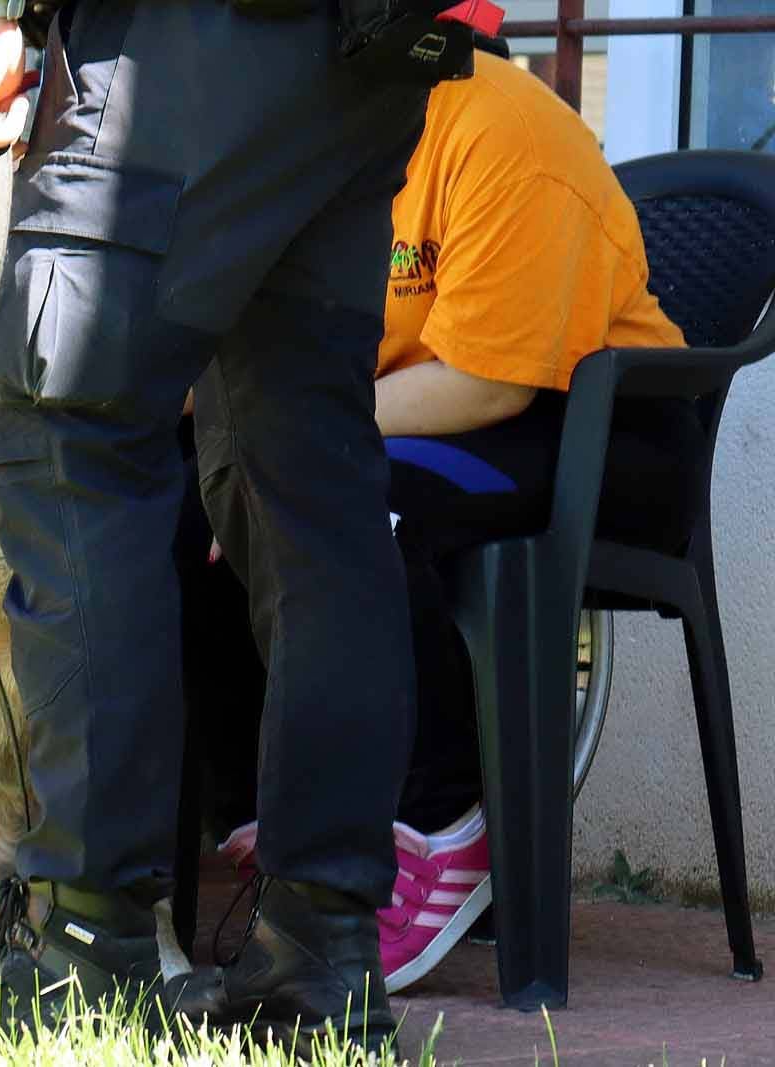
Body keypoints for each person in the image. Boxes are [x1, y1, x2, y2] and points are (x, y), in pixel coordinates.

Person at [0, 0, 432, 1043]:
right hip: (383, 44)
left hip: (191, 33)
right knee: (312, 479)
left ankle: (82, 952)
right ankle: (318, 953)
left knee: (68, 423)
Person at [194, 45, 695, 994]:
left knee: (345, 495)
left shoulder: (498, 128)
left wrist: (292, 444)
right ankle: (288, 808)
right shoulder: (301, 139)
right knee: (207, 488)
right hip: (409, 410)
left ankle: (441, 820)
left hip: (592, 426)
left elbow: (489, 385)